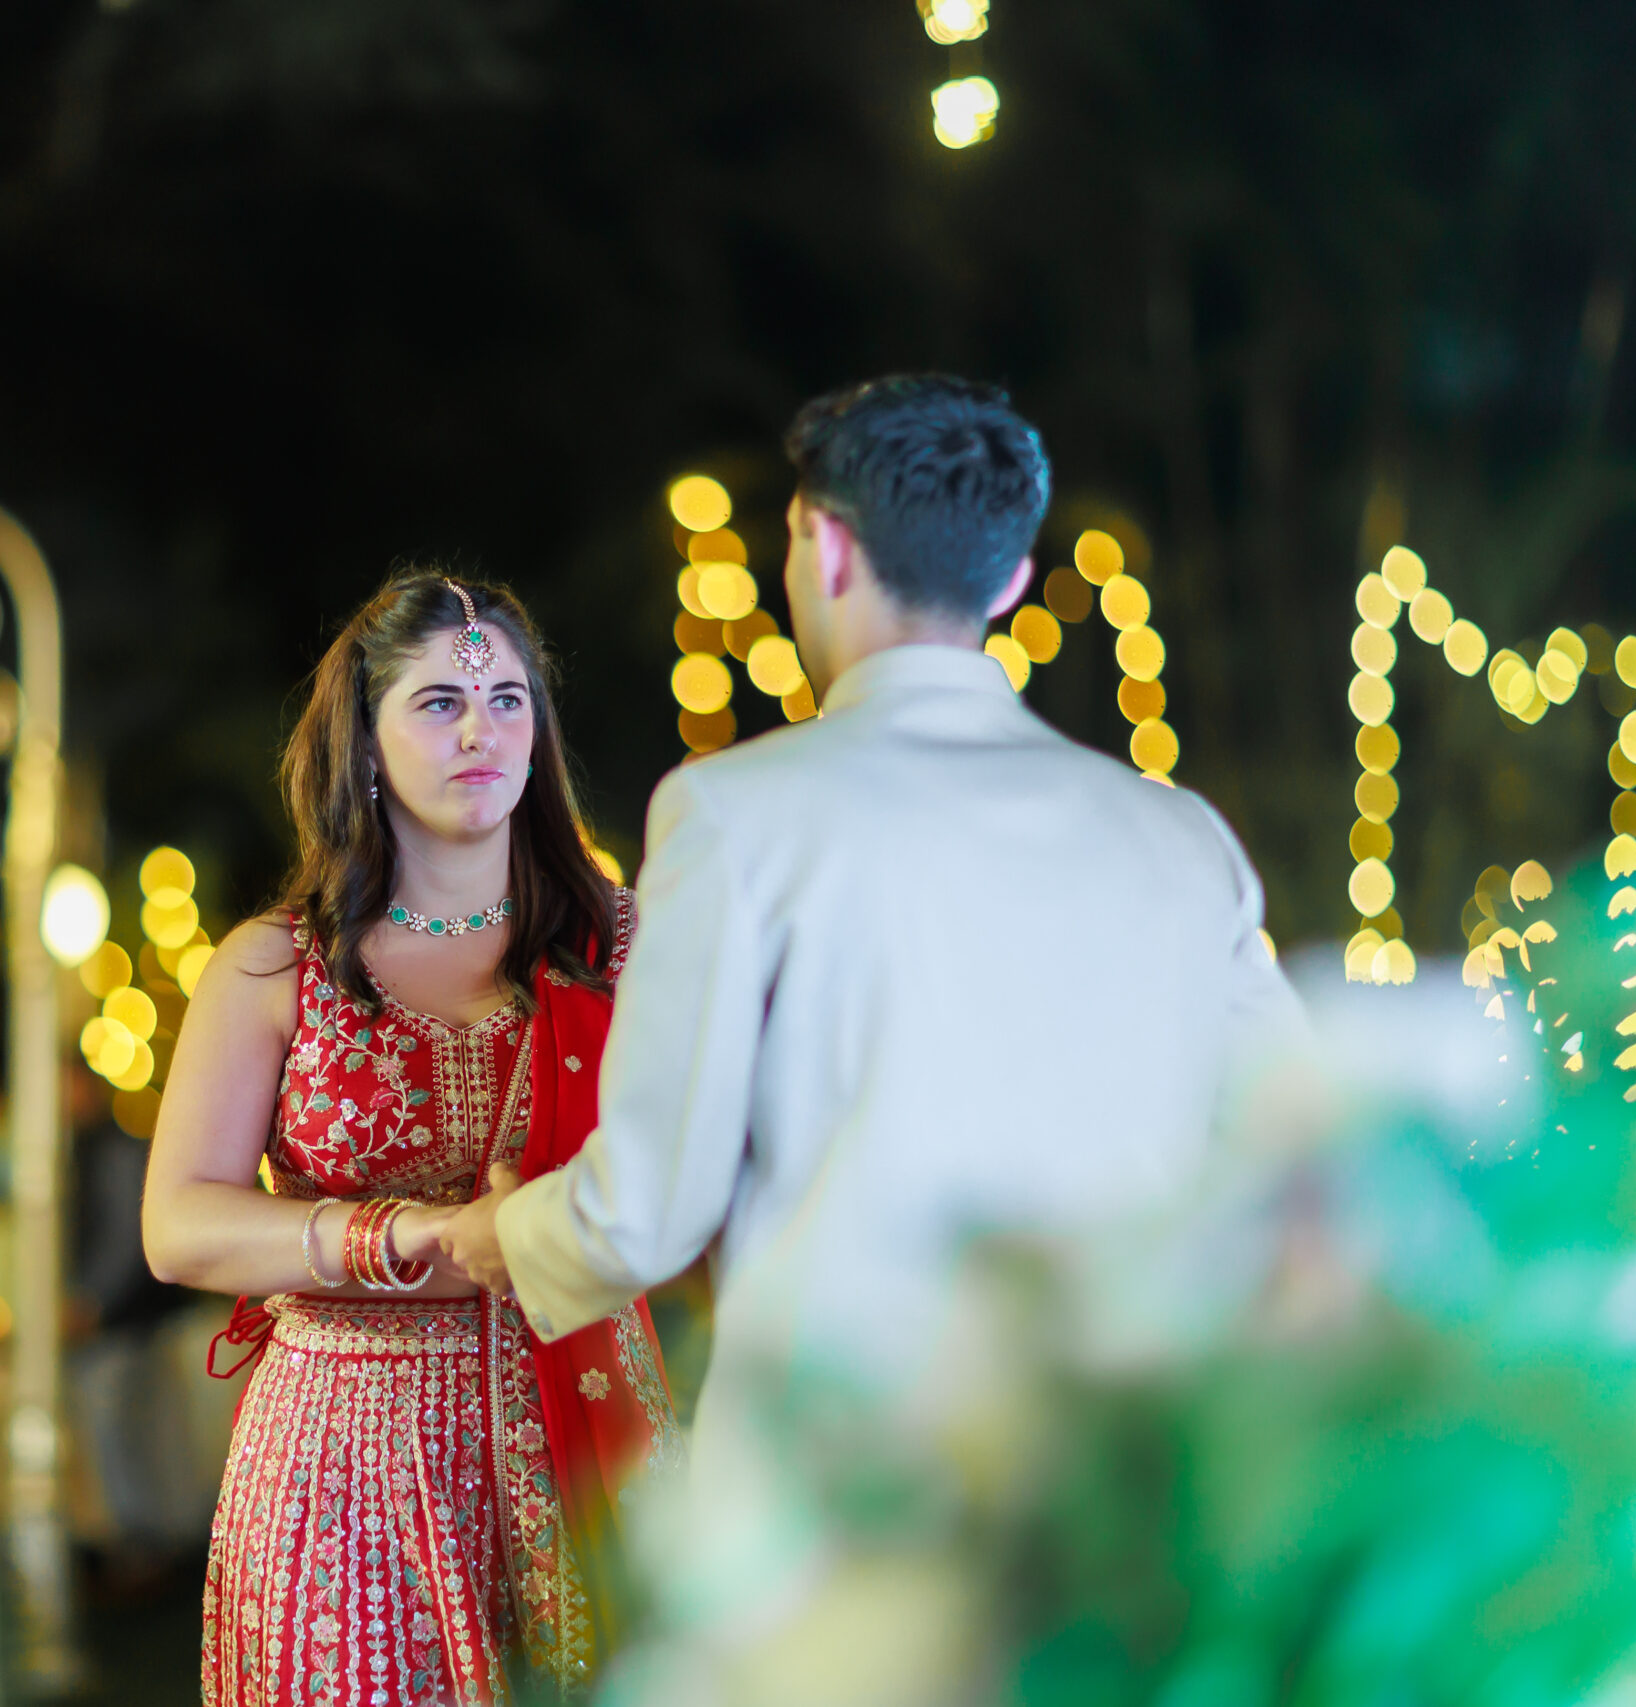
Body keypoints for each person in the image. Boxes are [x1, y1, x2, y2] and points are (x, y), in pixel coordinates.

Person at [438, 374, 1306, 1613]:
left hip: (840, 1507)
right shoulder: (1180, 839)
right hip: (1117, 1504)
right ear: (1010, 582)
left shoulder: (736, 814)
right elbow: (1296, 1146)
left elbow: (644, 1211)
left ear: (825, 546)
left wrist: (498, 1234)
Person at [144, 570, 682, 1705]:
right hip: (344, 1467)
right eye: (439, 703)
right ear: (366, 743)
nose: (480, 731)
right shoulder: (274, 964)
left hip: (585, 1434)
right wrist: (417, 1235)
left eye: (507, 701)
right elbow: (178, 1224)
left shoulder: (627, 946)